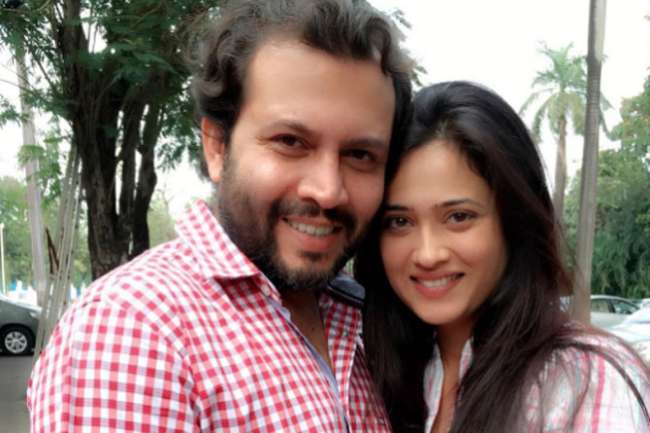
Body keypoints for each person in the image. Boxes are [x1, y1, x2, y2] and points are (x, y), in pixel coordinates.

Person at [27, 1, 413, 432]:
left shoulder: (365, 318)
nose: (327, 190)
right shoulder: (135, 330)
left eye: (360, 155)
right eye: (290, 141)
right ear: (216, 146)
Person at [355, 81, 650, 433]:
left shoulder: (584, 384)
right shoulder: (368, 371)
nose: (428, 254)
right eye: (399, 222)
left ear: (513, 222)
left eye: (459, 217)